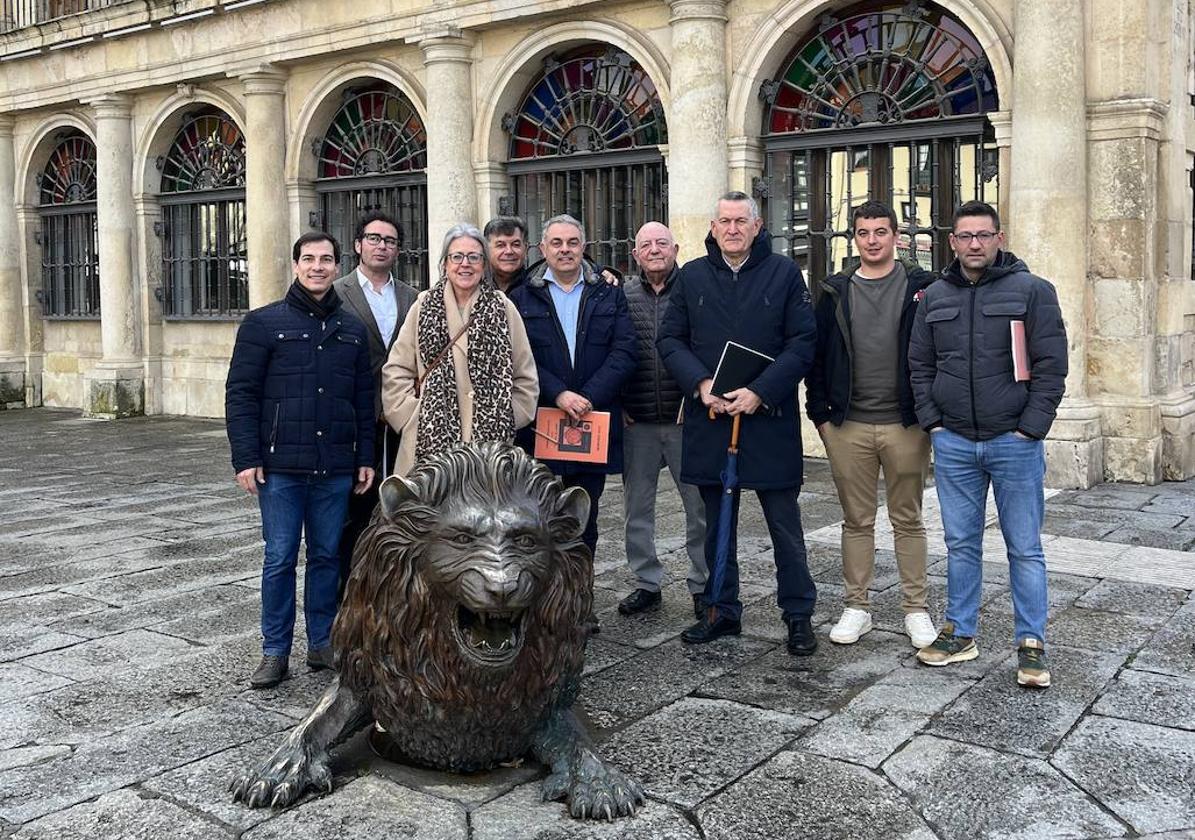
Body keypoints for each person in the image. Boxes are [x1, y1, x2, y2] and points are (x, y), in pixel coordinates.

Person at [908, 200, 1067, 689]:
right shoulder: (934, 297)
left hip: (1013, 442)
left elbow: (1052, 365)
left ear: (999, 238)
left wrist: (1030, 429)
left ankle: (1031, 643)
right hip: (954, 441)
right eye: (965, 236)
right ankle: (960, 632)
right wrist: (933, 423)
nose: (974, 243)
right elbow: (920, 366)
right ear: (952, 242)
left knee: (1025, 547)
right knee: (960, 543)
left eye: (983, 235)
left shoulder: (1033, 291)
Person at [657, 191, 819, 656]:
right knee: (716, 525)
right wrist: (701, 383)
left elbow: (803, 342)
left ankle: (798, 614)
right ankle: (721, 610)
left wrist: (761, 391)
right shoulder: (691, 277)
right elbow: (670, 341)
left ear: (756, 225)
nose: (732, 229)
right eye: (724, 221)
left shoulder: (784, 273)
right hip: (712, 417)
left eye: (740, 221)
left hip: (768, 417)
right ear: (712, 227)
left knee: (784, 525)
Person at [225, 232, 375, 689]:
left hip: (334, 467)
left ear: (336, 266)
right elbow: (241, 394)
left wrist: (364, 456)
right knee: (280, 558)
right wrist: (246, 457)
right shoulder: (263, 323)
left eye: (325, 259)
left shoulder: (352, 329)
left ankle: (322, 642)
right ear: (295, 265)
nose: (317, 267)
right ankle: (274, 651)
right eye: (308, 259)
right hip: (281, 468)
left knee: (328, 556)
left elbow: (363, 399)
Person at [805, 201, 937, 650]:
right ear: (855, 238)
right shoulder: (834, 290)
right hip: (849, 426)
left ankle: (915, 610)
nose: (873, 240)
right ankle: (856, 606)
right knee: (856, 520)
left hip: (906, 425)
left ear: (896, 237)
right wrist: (820, 417)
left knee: (909, 519)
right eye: (864, 232)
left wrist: (929, 414)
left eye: (882, 231)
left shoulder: (923, 287)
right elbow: (817, 357)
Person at [509, 214, 637, 558]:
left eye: (572, 242)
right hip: (543, 425)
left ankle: (579, 600)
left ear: (584, 247)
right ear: (542, 249)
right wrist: (559, 394)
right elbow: (522, 358)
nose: (565, 250)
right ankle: (544, 604)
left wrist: (588, 397)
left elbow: (625, 351)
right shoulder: (522, 298)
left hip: (590, 421)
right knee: (539, 518)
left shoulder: (608, 293)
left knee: (585, 518)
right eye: (557, 243)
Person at [381, 223, 539, 476]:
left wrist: (505, 417)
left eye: (474, 257)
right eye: (457, 256)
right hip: (428, 442)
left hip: (490, 450)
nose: (465, 264)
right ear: (445, 263)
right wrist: (414, 418)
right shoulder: (424, 305)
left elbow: (525, 376)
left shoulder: (503, 307)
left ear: (484, 265)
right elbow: (396, 370)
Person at [618, 221, 709, 620]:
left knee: (698, 508)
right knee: (637, 509)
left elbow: (706, 344)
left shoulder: (693, 291)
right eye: (645, 245)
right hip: (636, 420)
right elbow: (613, 349)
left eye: (661, 243)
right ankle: (646, 582)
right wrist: (617, 401)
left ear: (675, 249)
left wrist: (697, 396)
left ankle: (702, 584)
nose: (654, 250)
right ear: (635, 253)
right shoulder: (620, 295)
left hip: (685, 417)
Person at [332, 212, 417, 598]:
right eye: (374, 238)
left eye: (390, 240)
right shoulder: (336, 293)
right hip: (353, 418)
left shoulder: (412, 297)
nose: (382, 246)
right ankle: (348, 590)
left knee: (401, 503)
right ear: (358, 245)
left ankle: (395, 588)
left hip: (401, 418)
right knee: (354, 509)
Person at [483, 216, 530, 295]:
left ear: (526, 249)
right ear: (486, 249)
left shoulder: (537, 290)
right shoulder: (475, 287)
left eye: (516, 245)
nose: (509, 251)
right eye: (500, 245)